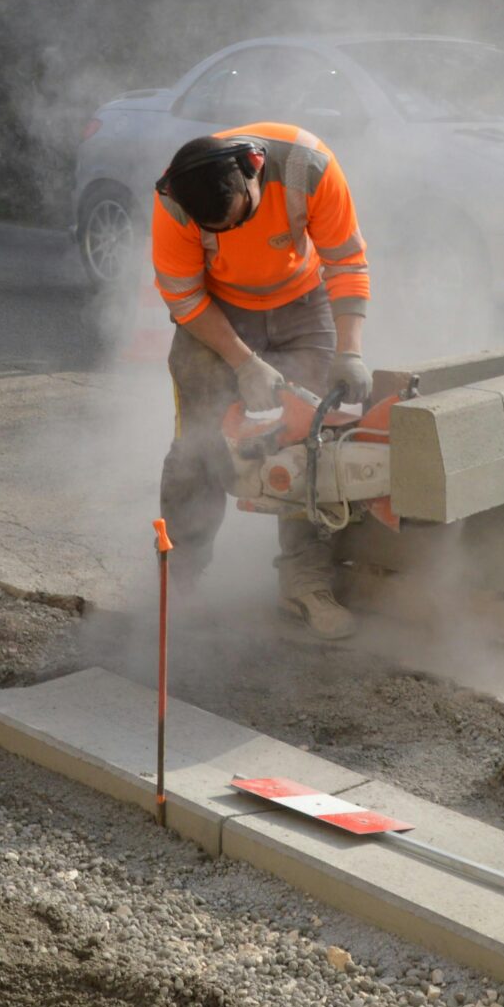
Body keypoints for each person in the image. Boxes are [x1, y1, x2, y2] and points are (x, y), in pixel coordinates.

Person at [152, 122, 373, 639]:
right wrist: (242, 361)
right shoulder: (175, 201)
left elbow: (346, 261)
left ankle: (305, 582)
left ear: (254, 171)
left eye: (239, 219)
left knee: (313, 443)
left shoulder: (308, 167)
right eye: (219, 232)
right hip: (215, 310)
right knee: (199, 444)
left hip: (302, 302)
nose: (233, 236)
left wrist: (350, 352)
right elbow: (183, 298)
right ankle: (180, 580)